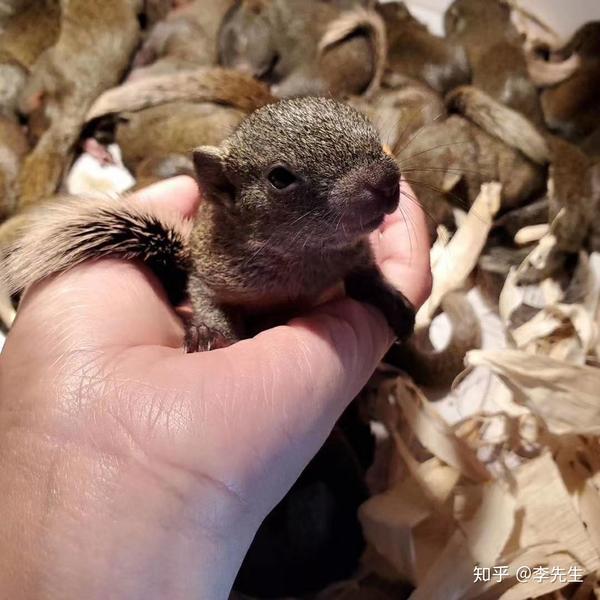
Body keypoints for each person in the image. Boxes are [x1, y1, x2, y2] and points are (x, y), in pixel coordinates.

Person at [0, 176, 431, 598]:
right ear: (225, 188)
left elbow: (355, 260)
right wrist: (213, 325)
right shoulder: (229, 252)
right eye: (283, 181)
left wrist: (374, 287)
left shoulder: (342, 242)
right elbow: (205, 282)